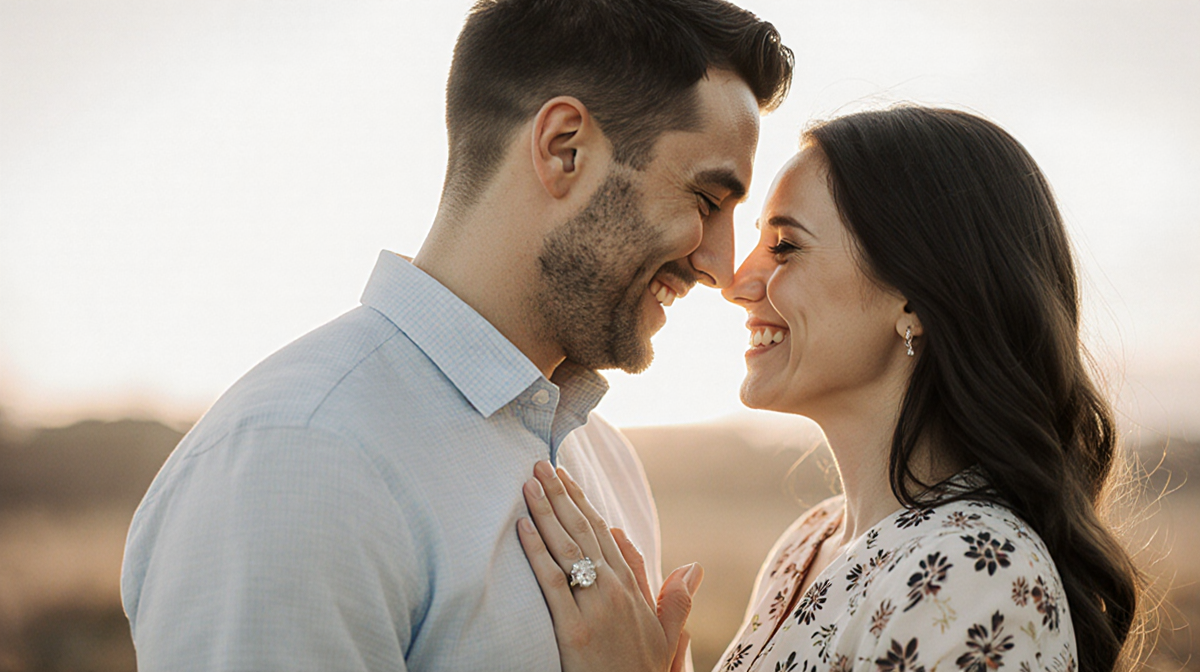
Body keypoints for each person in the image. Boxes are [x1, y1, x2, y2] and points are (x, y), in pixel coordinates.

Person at [120, 1, 793, 670]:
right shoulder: (300, 461)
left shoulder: (606, 460)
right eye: (707, 201)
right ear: (565, 148)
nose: (720, 267)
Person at [517, 106, 1141, 672]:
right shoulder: (811, 541)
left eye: (785, 247)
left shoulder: (976, 573)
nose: (737, 282)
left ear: (916, 299)